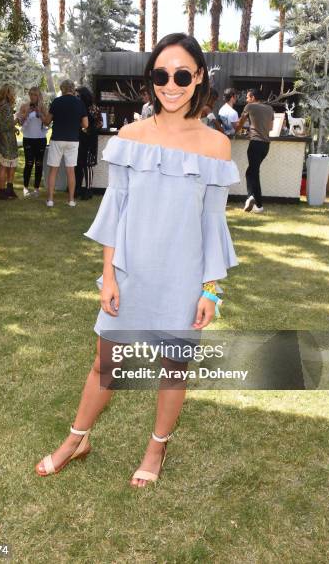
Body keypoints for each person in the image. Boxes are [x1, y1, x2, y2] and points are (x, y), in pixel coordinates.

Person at [35, 32, 240, 487]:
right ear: (151, 78)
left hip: (184, 278)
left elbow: (213, 224)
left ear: (199, 77)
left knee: (172, 369)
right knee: (105, 365)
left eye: (182, 74)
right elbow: (115, 212)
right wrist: (108, 275)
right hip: (130, 272)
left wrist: (210, 288)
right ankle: (76, 440)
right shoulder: (129, 136)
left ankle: (155, 450)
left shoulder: (215, 146)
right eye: (162, 74)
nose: (171, 84)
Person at [44, 79, 88, 207]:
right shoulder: (79, 103)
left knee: (53, 170)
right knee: (71, 171)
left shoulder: (56, 102)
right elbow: (85, 124)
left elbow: (47, 121)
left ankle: (50, 200)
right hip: (73, 140)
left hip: (57, 138)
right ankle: (71, 200)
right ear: (73, 89)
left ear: (62, 89)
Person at [236, 88, 274, 214]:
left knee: (253, 172)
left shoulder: (250, 106)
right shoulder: (269, 108)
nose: (246, 100)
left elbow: (240, 123)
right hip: (265, 145)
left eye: (247, 97)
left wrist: (236, 130)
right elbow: (271, 127)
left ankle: (254, 200)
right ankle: (255, 201)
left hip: (255, 143)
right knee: (252, 172)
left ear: (252, 97)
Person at [16, 87, 49, 198]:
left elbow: (48, 122)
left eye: (35, 95)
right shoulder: (25, 106)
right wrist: (26, 114)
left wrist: (40, 113)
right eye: (31, 94)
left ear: (39, 96)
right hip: (28, 138)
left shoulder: (43, 107)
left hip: (40, 139)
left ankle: (36, 188)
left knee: (39, 163)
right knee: (29, 163)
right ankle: (25, 187)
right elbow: (20, 123)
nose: (32, 97)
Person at [0, 84, 19, 200]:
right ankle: (2, 192)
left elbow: (3, 123)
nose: (14, 95)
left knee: (10, 164)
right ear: (7, 93)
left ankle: (9, 189)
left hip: (4, 137)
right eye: (12, 92)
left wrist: (14, 127)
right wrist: (17, 120)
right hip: (6, 139)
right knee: (4, 165)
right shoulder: (5, 106)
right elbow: (6, 125)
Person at [75, 86, 103, 200]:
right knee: (78, 164)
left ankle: (88, 189)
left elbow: (100, 122)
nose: (76, 97)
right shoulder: (77, 106)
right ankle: (77, 188)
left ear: (84, 96)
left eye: (78, 95)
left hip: (89, 139)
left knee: (87, 165)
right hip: (78, 138)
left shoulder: (92, 107)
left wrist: (89, 130)